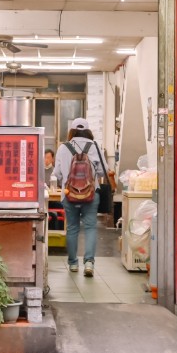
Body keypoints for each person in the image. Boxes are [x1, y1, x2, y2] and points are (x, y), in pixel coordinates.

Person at [51, 118, 109, 278]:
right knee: (90, 227)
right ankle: (89, 262)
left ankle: (73, 263)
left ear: (72, 130)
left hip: (69, 194)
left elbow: (57, 173)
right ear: (88, 130)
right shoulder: (95, 146)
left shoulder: (64, 147)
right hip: (91, 193)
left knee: (72, 228)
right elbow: (104, 171)